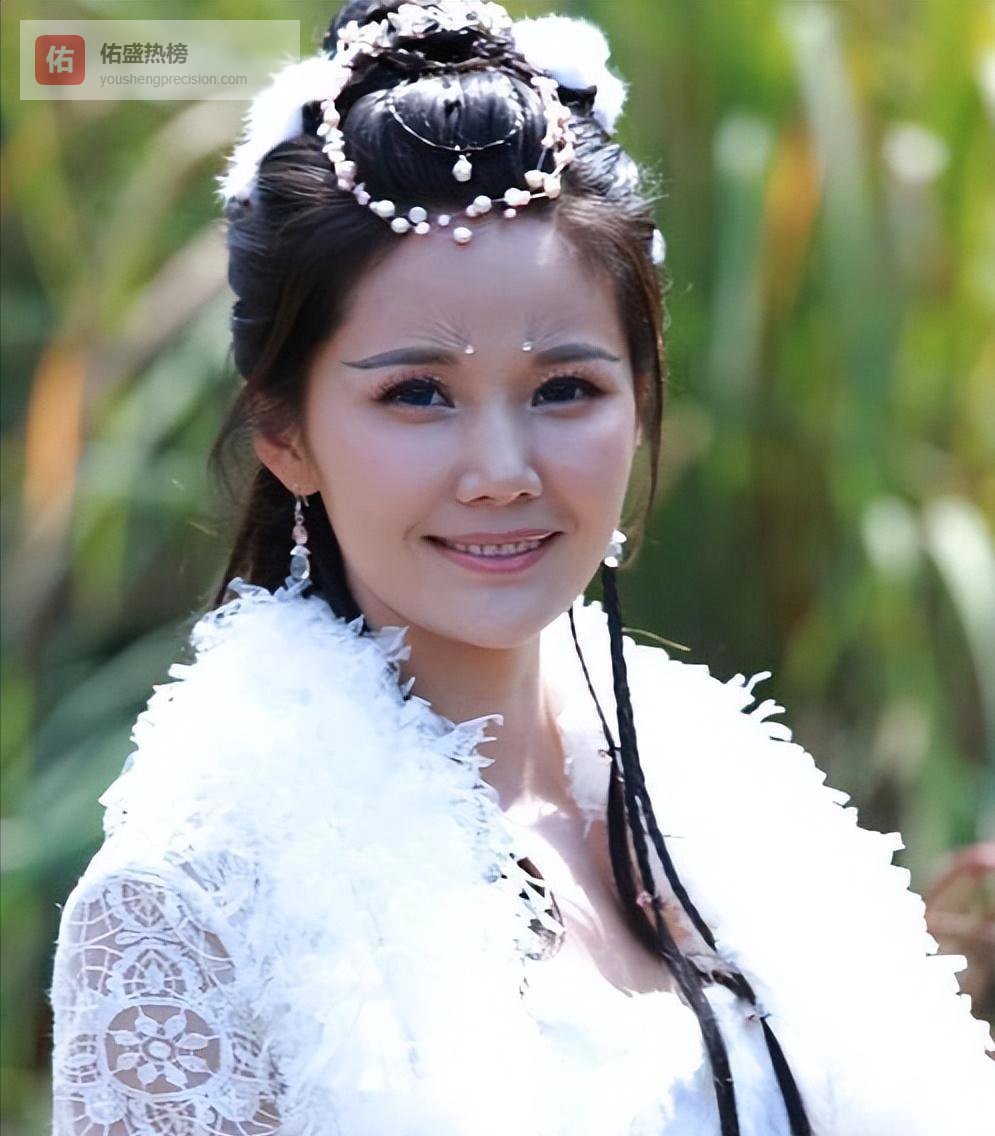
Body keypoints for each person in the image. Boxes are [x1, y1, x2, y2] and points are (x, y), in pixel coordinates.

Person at [47, 3, 994, 1134]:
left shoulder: (741, 812)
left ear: (641, 404)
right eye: (416, 394)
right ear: (284, 435)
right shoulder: (192, 904)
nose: (502, 472)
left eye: (564, 389)